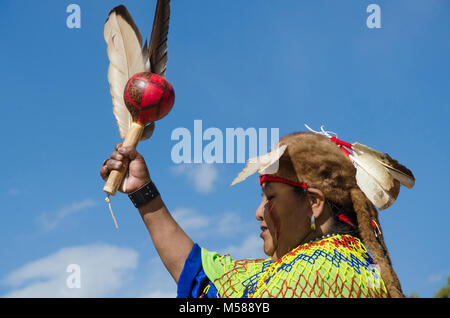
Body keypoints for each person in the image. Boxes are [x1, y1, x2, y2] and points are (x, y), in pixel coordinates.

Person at [100, 131, 411, 298]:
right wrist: (143, 192)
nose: (259, 212)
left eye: (270, 197)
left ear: (313, 203)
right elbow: (202, 277)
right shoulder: (318, 268)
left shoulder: (323, 273)